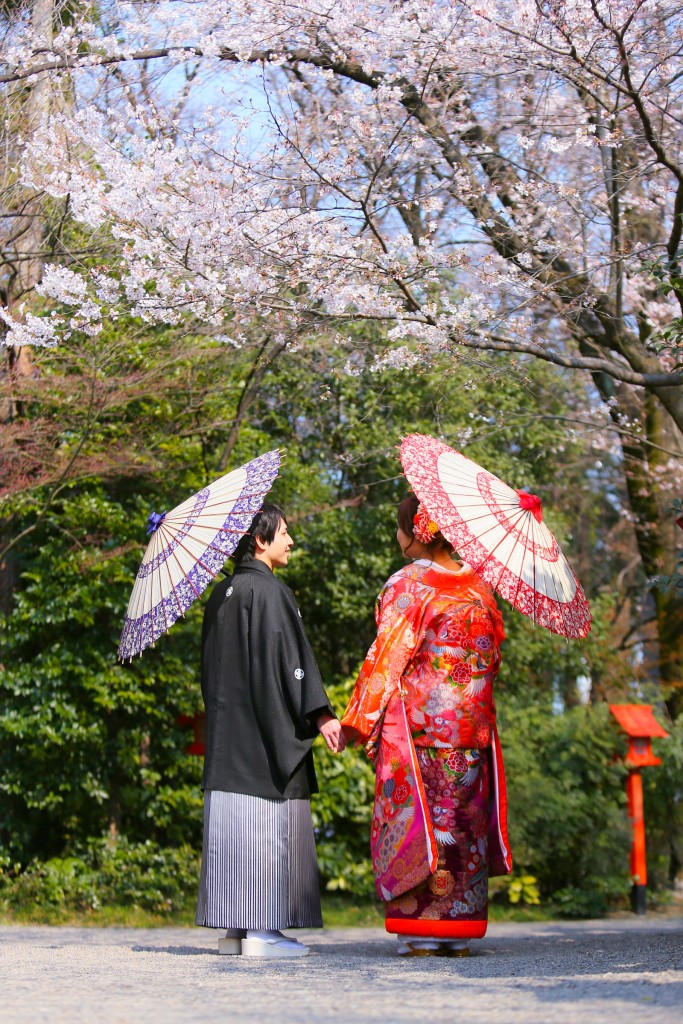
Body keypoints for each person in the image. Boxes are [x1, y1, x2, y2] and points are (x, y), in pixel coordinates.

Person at [341, 495, 511, 957]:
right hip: (472, 729)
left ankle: (421, 930)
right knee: (463, 823)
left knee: (424, 821)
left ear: (416, 532)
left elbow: (387, 660)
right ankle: (461, 929)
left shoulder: (408, 585)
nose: (398, 537)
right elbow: (491, 657)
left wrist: (358, 721)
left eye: (400, 528)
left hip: (421, 730)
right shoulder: (480, 586)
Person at [196, 503, 345, 958]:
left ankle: (236, 931)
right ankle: (264, 931)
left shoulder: (219, 595)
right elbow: (291, 664)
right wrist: (320, 714)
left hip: (227, 743)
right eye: (284, 532)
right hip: (264, 741)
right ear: (259, 540)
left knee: (231, 826)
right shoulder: (272, 593)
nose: (291, 541)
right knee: (267, 823)